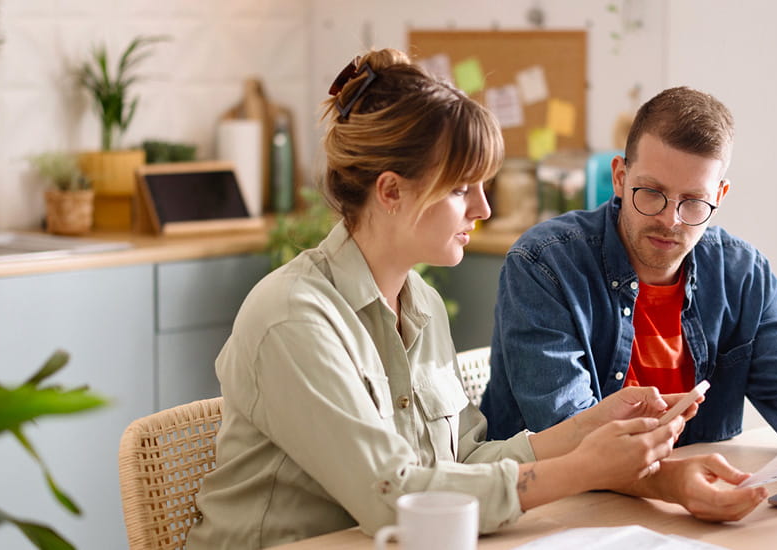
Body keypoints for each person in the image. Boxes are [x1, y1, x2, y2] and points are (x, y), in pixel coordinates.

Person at [188, 50, 701, 549]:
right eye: (461, 189)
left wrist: (589, 428)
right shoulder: (293, 318)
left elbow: (459, 461)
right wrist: (583, 469)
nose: (481, 207)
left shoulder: (424, 305)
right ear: (391, 191)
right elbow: (394, 498)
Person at [480, 86, 777, 520]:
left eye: (693, 202)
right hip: (549, 511)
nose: (669, 219)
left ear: (720, 195)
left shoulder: (743, 273)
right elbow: (565, 433)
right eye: (651, 193)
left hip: (685, 511)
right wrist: (672, 483)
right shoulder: (544, 263)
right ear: (620, 177)